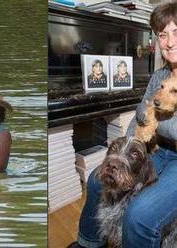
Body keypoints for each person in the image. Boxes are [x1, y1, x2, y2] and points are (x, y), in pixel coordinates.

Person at [68, 2, 177, 248]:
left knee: (138, 217)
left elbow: (153, 121)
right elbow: (140, 119)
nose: (169, 42)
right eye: (162, 34)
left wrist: (156, 121)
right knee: (97, 179)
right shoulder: (159, 77)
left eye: (176, 32)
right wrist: (123, 149)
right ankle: (88, 243)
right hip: (158, 150)